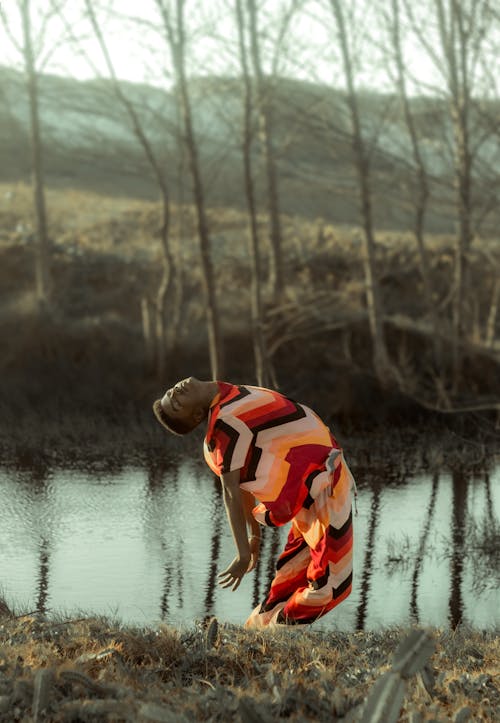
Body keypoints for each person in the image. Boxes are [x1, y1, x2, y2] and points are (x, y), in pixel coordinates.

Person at [153, 376, 356, 627]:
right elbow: (232, 491)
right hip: (323, 488)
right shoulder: (224, 425)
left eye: (169, 392)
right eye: (175, 403)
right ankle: (272, 633)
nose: (174, 393)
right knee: (333, 585)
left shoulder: (229, 394)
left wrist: (255, 537)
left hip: (313, 487)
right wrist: (241, 552)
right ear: (196, 416)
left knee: (293, 576)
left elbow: (243, 479)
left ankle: (255, 632)